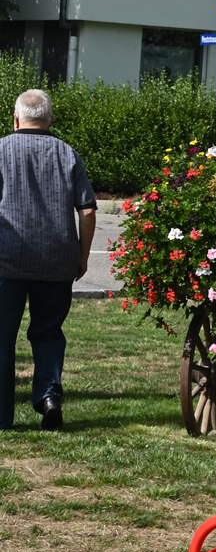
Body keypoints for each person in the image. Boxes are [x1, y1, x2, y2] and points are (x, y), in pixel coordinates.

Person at [0, 89, 97, 432]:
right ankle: (48, 397)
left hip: (7, 258)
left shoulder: (0, 150)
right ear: (50, 119)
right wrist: (82, 256)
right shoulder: (67, 153)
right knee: (48, 332)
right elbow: (86, 210)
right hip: (58, 258)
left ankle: (2, 414)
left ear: (16, 119)